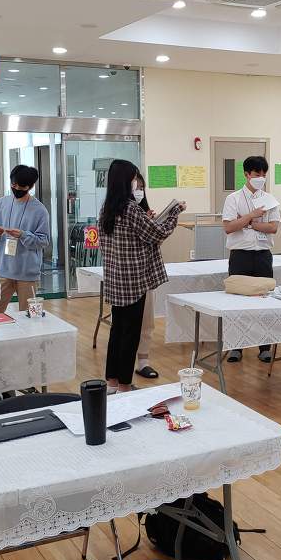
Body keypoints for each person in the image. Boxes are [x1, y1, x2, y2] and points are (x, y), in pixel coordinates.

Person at [99, 160, 184, 393]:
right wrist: (174, 212)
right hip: (134, 281)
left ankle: (112, 382)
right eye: (134, 178)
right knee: (131, 333)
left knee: (117, 331)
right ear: (126, 180)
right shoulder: (130, 209)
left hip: (116, 280)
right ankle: (125, 385)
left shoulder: (107, 208)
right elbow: (157, 234)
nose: (136, 183)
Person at [222, 155, 281, 363]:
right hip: (240, 255)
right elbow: (229, 227)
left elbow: (273, 227)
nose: (261, 177)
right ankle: (236, 347)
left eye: (264, 173)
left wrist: (248, 223)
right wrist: (251, 216)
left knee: (264, 301)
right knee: (237, 302)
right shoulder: (233, 198)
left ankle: (264, 347)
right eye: (257, 173)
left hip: (263, 255)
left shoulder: (270, 199)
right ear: (247, 174)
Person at [0, 165, 51, 313]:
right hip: (3, 271)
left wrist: (23, 235)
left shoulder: (40, 210)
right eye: (14, 185)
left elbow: (43, 241)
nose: (16, 189)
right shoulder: (1, 204)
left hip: (27, 273)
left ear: (31, 186)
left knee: (29, 315)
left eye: (22, 187)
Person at [132, 173, 159, 379]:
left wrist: (151, 223)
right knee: (127, 325)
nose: (139, 191)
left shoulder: (142, 212)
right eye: (136, 187)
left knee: (147, 321)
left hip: (145, 273)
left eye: (142, 187)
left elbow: (154, 241)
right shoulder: (121, 211)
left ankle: (143, 361)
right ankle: (121, 373)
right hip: (128, 278)